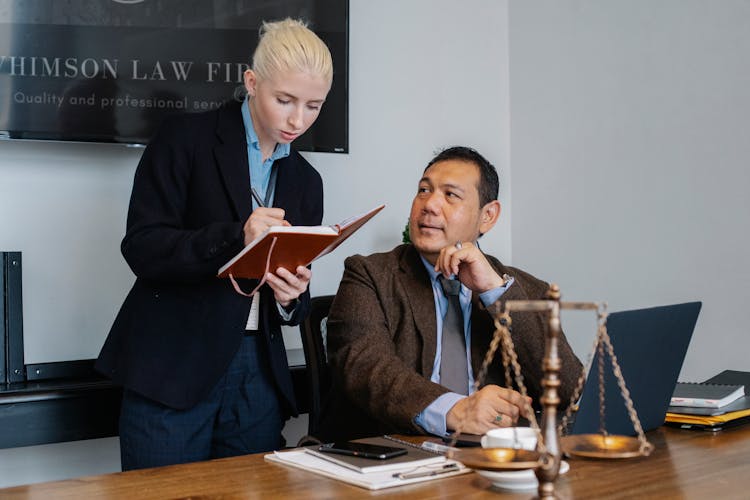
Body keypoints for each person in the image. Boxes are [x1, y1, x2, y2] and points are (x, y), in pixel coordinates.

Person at [96, 18, 333, 470]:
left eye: (313, 106)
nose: (297, 119)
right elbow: (142, 247)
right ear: (251, 81)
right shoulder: (184, 139)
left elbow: (294, 298)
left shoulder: (306, 181)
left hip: (258, 375)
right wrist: (235, 236)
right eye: (284, 100)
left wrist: (292, 297)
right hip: (173, 365)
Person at [318, 146, 583, 442]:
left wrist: (494, 292)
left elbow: (569, 389)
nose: (429, 204)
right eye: (423, 190)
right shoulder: (369, 275)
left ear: (488, 216)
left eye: (450, 195)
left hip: (493, 457)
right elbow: (367, 370)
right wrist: (456, 409)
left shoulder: (526, 290)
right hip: (394, 453)